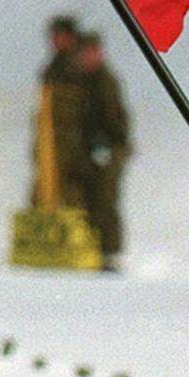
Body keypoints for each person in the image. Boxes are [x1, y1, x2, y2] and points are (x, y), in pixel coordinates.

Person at [75, 31, 132, 270]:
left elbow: (113, 120)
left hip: (108, 151)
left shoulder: (105, 82)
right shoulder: (86, 80)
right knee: (93, 200)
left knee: (105, 201)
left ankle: (110, 253)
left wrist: (108, 146)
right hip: (94, 152)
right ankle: (97, 251)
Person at [32, 15, 87, 210]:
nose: (54, 40)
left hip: (73, 144)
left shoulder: (79, 66)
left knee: (72, 197)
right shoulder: (56, 66)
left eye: (58, 35)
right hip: (52, 141)